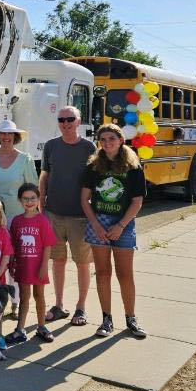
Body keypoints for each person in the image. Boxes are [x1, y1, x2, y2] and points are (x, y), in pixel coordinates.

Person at [80, 123, 148, 340]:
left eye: (112, 138)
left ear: (121, 140)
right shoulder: (93, 167)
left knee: (125, 273)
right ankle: (106, 319)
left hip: (123, 223)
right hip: (98, 222)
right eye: (103, 139)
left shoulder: (133, 167)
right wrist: (97, 225)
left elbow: (137, 201)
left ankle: (131, 318)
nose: (107, 143)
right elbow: (84, 199)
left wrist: (120, 226)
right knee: (102, 272)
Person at [39, 105, 96, 327]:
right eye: (61, 119)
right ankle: (59, 305)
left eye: (69, 119)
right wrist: (41, 205)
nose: (65, 122)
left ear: (78, 121)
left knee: (82, 263)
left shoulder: (88, 147)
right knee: (58, 260)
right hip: (54, 213)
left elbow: (95, 180)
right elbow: (45, 176)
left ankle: (81, 307)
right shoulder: (51, 147)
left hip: (80, 216)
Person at [4, 183, 56, 345]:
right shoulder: (17, 221)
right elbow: (13, 245)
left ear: (38, 199)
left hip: (38, 265)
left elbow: (48, 245)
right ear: (20, 200)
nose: (29, 201)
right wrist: (12, 262)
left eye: (32, 198)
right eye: (25, 198)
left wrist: (43, 266)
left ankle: (42, 326)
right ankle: (20, 329)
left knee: (39, 295)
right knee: (24, 296)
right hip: (23, 266)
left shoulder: (42, 220)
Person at [0, 119, 38, 223]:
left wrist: (32, 215)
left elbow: (33, 189)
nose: (6, 136)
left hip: (19, 217)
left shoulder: (25, 159)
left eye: (10, 133)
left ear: (15, 136)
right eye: (3, 133)